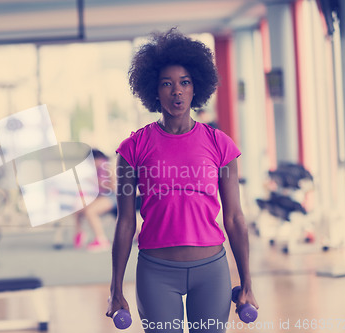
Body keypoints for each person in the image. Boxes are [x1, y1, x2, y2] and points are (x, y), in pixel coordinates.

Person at [106, 29, 258, 332]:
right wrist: (115, 289)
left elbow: (234, 218)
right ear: (154, 90)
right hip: (156, 271)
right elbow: (125, 222)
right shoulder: (132, 149)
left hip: (211, 270)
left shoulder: (220, 144)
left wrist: (247, 283)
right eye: (167, 84)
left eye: (184, 83)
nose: (177, 91)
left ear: (195, 88)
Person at [74, 149, 117, 251]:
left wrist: (96, 182)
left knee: (90, 211)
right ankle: (80, 232)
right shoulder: (97, 169)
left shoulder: (107, 167)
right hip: (102, 197)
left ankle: (101, 240)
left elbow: (114, 187)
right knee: (78, 209)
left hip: (113, 197)